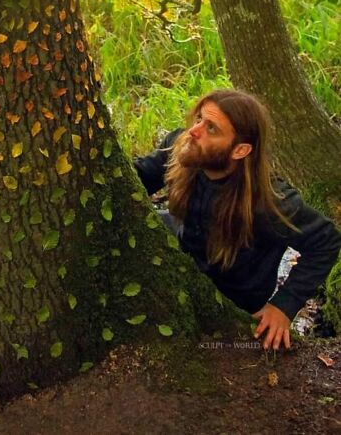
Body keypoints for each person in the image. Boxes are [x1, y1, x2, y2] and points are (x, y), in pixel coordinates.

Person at [134, 89, 341, 351]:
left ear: (240, 150)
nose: (194, 131)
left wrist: (284, 306)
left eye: (211, 128)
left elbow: (326, 242)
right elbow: (137, 178)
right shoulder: (184, 146)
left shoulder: (269, 204)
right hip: (185, 248)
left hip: (232, 293)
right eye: (199, 119)